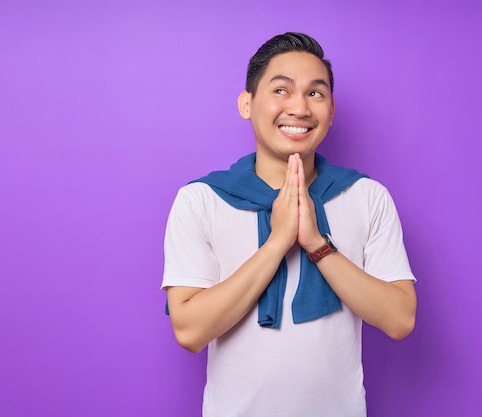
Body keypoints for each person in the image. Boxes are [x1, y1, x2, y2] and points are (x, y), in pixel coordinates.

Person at [161, 32, 417, 417]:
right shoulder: (201, 200)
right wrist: (277, 242)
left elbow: (400, 319)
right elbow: (190, 331)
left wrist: (316, 243)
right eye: (281, 90)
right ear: (247, 104)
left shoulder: (367, 197)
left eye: (316, 93)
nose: (298, 107)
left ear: (331, 111)